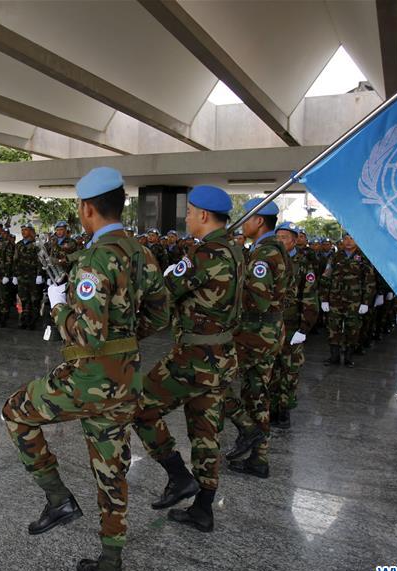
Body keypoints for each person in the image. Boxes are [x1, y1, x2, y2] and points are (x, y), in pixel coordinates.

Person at [2, 167, 169, 571]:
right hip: (126, 381)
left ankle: (57, 499)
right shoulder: (140, 251)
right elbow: (160, 314)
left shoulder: (94, 259)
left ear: (86, 208)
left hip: (87, 380)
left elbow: (87, 336)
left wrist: (58, 307)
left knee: (16, 412)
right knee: (112, 473)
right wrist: (124, 343)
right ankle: (111, 567)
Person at [132, 185, 242, 533]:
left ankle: (178, 477)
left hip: (194, 357)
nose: (188, 218)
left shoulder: (204, 254)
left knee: (139, 408)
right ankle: (203, 509)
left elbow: (165, 293)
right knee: (206, 433)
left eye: (191, 213)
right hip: (221, 357)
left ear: (204, 216)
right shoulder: (236, 251)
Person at [225, 197, 288, 479]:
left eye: (246, 218)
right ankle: (259, 459)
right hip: (269, 332)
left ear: (259, 221)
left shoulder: (264, 254)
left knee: (213, 380)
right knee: (256, 395)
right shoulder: (275, 250)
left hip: (255, 333)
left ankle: (246, 427)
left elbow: (257, 300)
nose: (242, 223)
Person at [268, 221, 318, 429]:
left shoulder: (304, 263)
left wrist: (304, 328)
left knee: (289, 370)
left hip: (291, 326)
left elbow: (310, 296)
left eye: (285, 237)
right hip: (270, 325)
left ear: (295, 240)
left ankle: (284, 410)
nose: (280, 241)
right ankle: (270, 408)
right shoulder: (270, 260)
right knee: (270, 369)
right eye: (278, 237)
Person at [319, 232, 374, 367]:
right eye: (346, 239)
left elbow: (370, 282)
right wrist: (324, 299)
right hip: (335, 299)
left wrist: (366, 302)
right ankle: (334, 357)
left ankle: (349, 357)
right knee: (333, 328)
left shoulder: (364, 258)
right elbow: (326, 277)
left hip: (354, 300)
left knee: (353, 329)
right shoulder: (335, 256)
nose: (348, 241)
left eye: (352, 238)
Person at [13, 222, 44, 330]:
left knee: (34, 300)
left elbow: (41, 261)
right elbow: (15, 261)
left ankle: (33, 321)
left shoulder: (36, 244)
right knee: (22, 299)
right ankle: (23, 320)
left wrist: (39, 275)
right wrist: (15, 275)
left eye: (25, 230)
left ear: (31, 231)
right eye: (22, 230)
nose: (23, 232)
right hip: (21, 276)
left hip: (33, 277)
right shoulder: (19, 244)